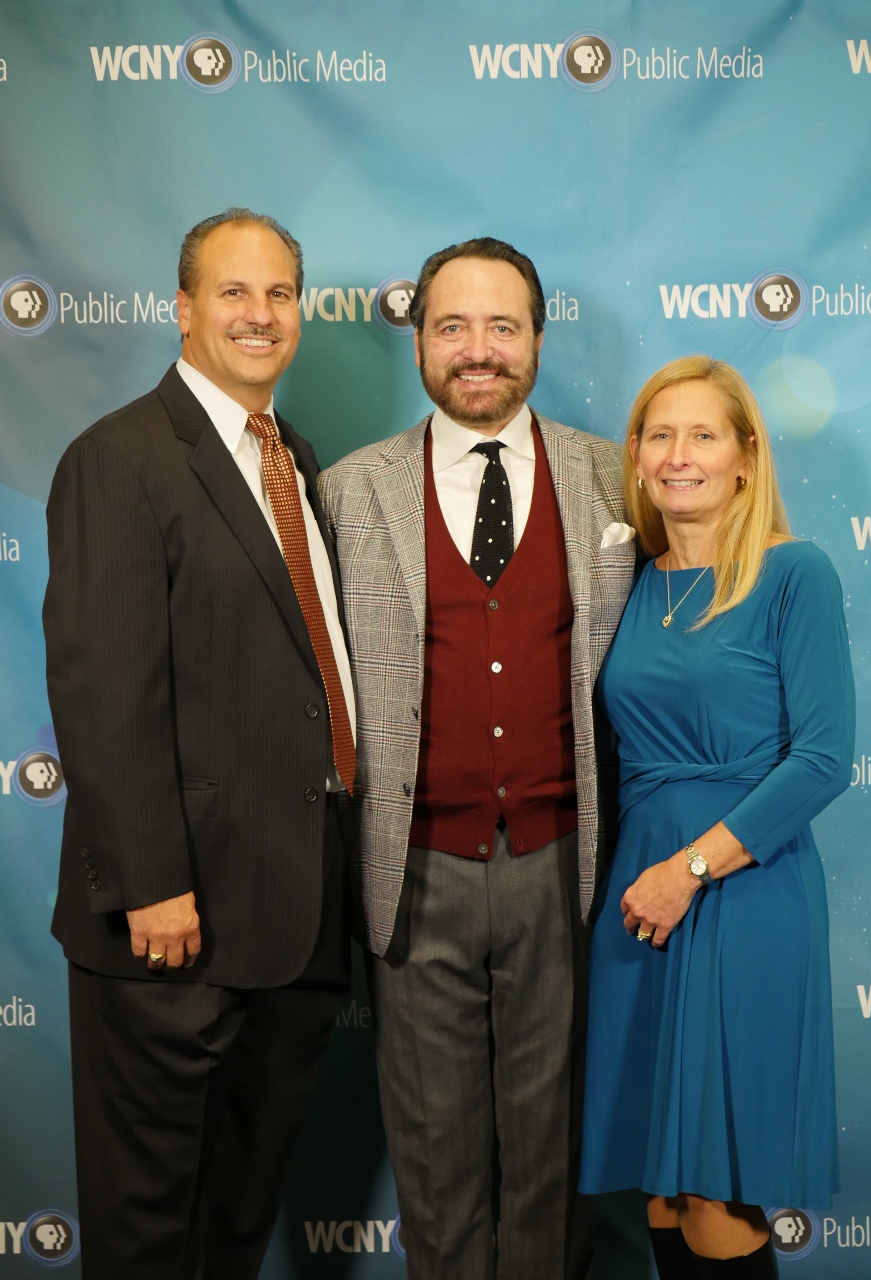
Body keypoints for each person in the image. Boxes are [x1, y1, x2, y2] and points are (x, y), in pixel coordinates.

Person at [43, 208, 356, 1279]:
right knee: (148, 1237)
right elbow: (103, 689)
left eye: (279, 293)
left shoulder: (291, 456)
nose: (260, 315)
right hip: (173, 929)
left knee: (231, 1227)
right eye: (233, 292)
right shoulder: (119, 457)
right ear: (183, 309)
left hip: (292, 917)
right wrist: (150, 883)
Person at [320, 237, 638, 1279]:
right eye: (452, 325)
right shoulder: (349, 491)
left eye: (503, 325)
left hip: (564, 870)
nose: (479, 349)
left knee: (553, 1163)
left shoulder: (614, 479)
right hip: (414, 874)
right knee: (438, 1167)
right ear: (417, 340)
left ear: (540, 338)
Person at [579, 356, 855, 1279]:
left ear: (746, 456)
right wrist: (651, 877)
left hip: (740, 893)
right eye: (660, 434)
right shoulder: (633, 582)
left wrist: (691, 870)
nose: (679, 455)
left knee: (716, 1185)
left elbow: (824, 759)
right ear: (635, 454)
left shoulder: (792, 573)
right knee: (661, 1184)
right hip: (638, 896)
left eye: (703, 435)